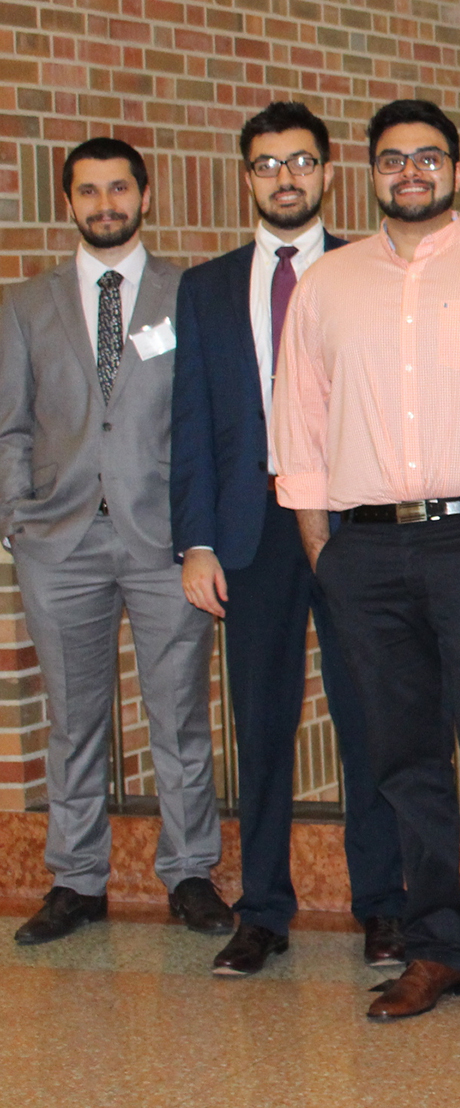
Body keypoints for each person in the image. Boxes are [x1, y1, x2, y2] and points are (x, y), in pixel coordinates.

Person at [272, 99, 460, 1025]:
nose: (411, 172)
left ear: (456, 171)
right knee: (403, 759)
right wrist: (323, 546)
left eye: (428, 158)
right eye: (394, 158)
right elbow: (300, 420)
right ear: (370, 171)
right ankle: (438, 946)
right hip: (363, 550)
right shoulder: (327, 285)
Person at [170, 102, 407, 975]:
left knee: (370, 720)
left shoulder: (372, 268)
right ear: (246, 178)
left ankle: (383, 905)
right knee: (263, 724)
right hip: (247, 532)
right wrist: (194, 540)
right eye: (267, 166)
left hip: (352, 525)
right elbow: (191, 422)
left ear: (328, 173)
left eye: (300, 163)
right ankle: (264, 908)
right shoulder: (206, 288)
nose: (285, 179)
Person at [0, 137, 235, 945]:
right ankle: (75, 879)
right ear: (69, 202)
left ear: (145, 196)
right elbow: (11, 425)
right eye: (89, 191)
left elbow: (206, 420)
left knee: (178, 717)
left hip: (166, 541)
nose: (105, 203)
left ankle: (191, 872)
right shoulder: (26, 305)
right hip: (58, 542)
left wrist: (201, 532)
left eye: (119, 188)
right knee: (74, 719)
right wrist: (16, 520)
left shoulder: (189, 295)